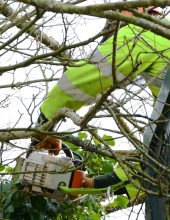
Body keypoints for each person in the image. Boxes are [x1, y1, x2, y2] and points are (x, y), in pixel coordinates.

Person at [31, 6, 170, 201]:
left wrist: (42, 127)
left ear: (139, 9)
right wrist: (92, 184)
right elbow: (156, 164)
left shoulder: (143, 32)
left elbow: (79, 81)